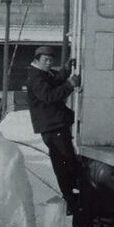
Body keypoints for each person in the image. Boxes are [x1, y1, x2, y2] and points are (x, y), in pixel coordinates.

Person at [27, 45, 82, 213]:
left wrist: (65, 70)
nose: (49, 63)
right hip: (52, 126)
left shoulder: (42, 74)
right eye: (46, 60)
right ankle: (71, 200)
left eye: (51, 60)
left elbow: (55, 80)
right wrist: (70, 85)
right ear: (37, 59)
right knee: (64, 163)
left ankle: (73, 197)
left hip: (55, 124)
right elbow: (49, 96)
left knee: (67, 161)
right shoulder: (36, 77)